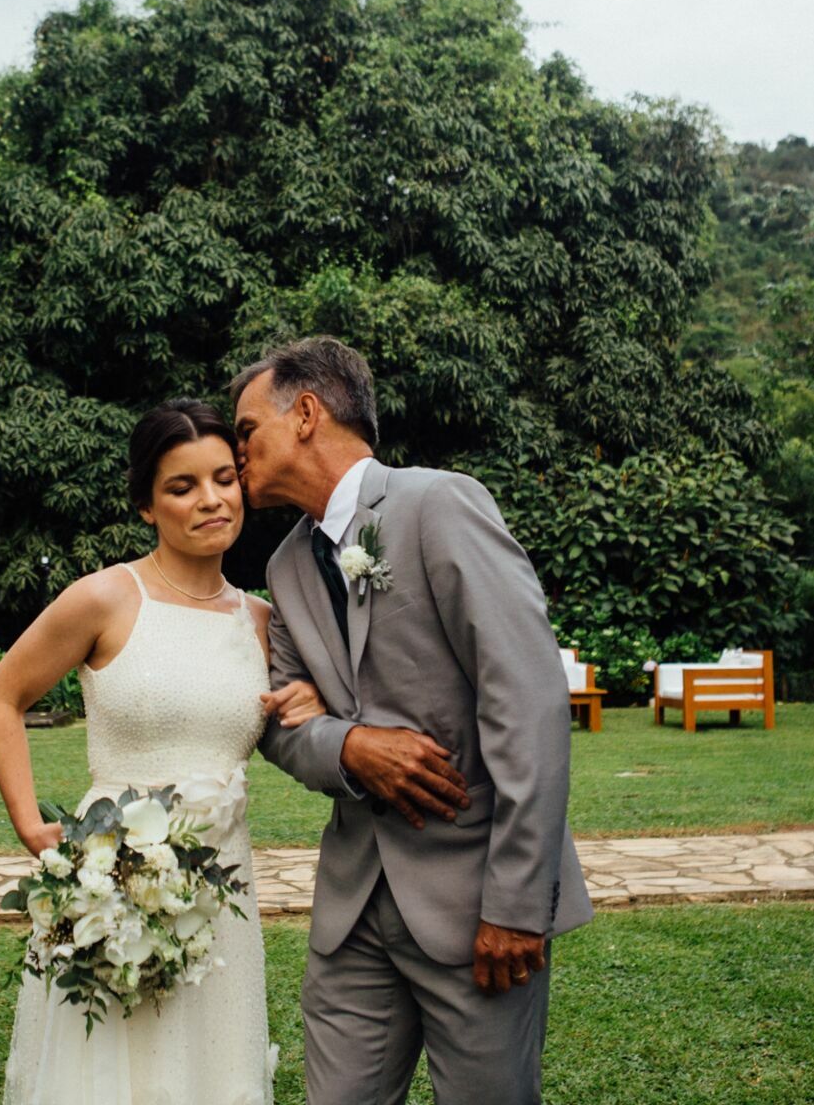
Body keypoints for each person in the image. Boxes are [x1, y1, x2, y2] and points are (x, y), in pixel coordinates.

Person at [234, 337, 594, 1105]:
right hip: (352, 916)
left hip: (477, 909)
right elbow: (281, 724)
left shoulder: (439, 503)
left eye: (245, 431)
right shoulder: (285, 568)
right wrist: (350, 745)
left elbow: (526, 702)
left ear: (305, 414)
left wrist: (518, 905)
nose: (236, 455)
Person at [0, 399, 327, 1105]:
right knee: (105, 1059)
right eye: (181, 487)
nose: (210, 500)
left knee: (206, 1066)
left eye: (224, 479)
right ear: (145, 504)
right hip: (107, 872)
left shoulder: (262, 623)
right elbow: (2, 697)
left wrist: (312, 702)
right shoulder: (107, 598)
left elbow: (300, 719)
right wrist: (30, 823)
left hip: (222, 880)